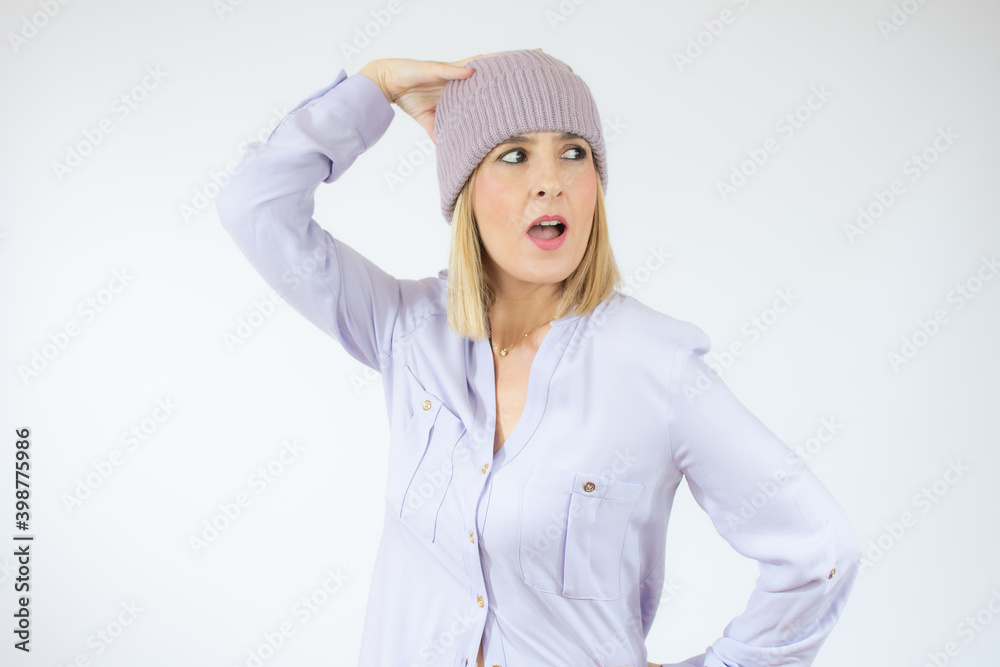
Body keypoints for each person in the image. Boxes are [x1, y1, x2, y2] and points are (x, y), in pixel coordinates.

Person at [216, 48, 861, 667]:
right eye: (515, 155)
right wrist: (374, 88)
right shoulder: (407, 331)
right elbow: (255, 205)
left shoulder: (656, 367)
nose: (550, 182)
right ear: (466, 191)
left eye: (573, 153)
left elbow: (820, 552)